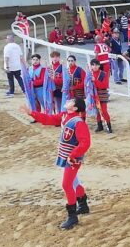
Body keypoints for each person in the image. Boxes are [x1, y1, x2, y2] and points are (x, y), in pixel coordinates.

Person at [21, 97, 91, 230]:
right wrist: (31, 112)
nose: (68, 100)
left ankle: (72, 216)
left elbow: (85, 143)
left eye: (71, 100)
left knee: (66, 184)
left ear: (75, 108)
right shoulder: (65, 116)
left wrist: (73, 155)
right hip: (68, 155)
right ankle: (83, 204)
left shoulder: (79, 122)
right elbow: (49, 119)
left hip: (72, 158)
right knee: (74, 181)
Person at [89, 59, 112, 133]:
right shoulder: (89, 74)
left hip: (102, 94)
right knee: (97, 111)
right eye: (93, 65)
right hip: (93, 95)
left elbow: (104, 85)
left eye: (96, 65)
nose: (94, 66)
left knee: (104, 110)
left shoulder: (103, 74)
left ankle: (109, 126)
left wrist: (95, 80)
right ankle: (100, 126)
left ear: (99, 66)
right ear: (91, 66)